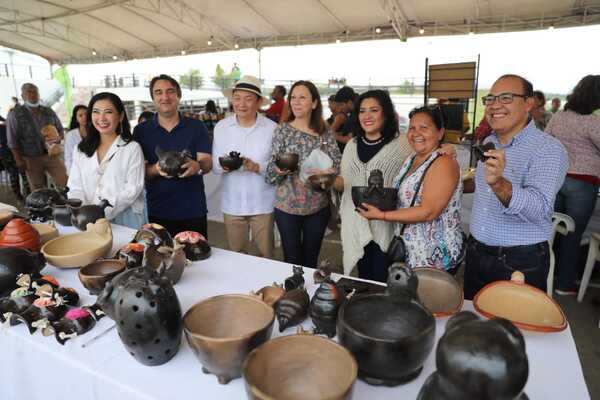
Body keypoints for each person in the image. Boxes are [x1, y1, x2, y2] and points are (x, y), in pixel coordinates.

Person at [463, 74, 568, 300]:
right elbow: (483, 188)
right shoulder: (489, 141)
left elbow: (539, 209)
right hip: (476, 252)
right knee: (474, 328)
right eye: (490, 99)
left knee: (514, 331)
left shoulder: (548, 149)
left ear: (528, 103)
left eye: (506, 98)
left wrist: (499, 183)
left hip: (519, 262)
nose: (495, 105)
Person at [358, 105, 464, 273]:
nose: (416, 133)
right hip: (411, 251)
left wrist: (382, 216)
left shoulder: (443, 163)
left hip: (433, 255)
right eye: (412, 128)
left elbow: (429, 211)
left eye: (424, 128)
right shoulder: (413, 158)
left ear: (440, 132)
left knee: (429, 299)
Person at [334, 90, 412, 281]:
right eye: (362, 111)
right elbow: (344, 182)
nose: (367, 116)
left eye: (374, 110)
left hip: (385, 226)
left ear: (385, 113)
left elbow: (423, 164)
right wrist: (329, 180)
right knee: (363, 278)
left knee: (382, 280)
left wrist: (446, 149)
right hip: (356, 222)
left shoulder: (402, 144)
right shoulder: (352, 145)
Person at [265, 80, 341, 268]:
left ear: (314, 103)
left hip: (317, 208)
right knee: (291, 260)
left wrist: (329, 172)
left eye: (302, 98)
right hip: (287, 208)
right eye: (293, 98)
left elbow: (338, 165)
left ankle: (308, 296)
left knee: (310, 261)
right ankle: (293, 295)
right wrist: (278, 170)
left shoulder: (324, 132)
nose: (296, 102)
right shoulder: (282, 130)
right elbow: (269, 176)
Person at [134, 74, 212, 237]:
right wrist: (156, 169)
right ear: (153, 98)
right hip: (157, 210)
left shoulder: (196, 127)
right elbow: (138, 171)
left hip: (192, 209)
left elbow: (207, 162)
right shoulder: (141, 131)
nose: (165, 97)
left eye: (170, 91)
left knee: (196, 257)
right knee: (161, 258)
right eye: (158, 92)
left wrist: (197, 166)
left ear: (178, 96)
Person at [545, 75, 600, 295]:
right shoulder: (592, 122)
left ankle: (545, 276)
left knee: (550, 231)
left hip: (558, 178)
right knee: (573, 234)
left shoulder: (559, 117)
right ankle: (563, 284)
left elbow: (546, 142)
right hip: (584, 182)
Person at [213, 76, 277, 258]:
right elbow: (215, 167)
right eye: (237, 98)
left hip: (263, 204)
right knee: (236, 256)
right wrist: (225, 165)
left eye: (248, 99)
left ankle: (267, 287)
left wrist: (257, 166)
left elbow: (277, 167)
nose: (242, 104)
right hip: (232, 204)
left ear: (258, 102)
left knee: (266, 256)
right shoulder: (222, 127)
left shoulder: (272, 129)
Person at [67, 92, 146, 229]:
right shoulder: (80, 149)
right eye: (96, 112)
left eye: (108, 112)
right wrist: (83, 212)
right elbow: (75, 186)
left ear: (120, 116)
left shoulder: (132, 148)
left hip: (124, 219)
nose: (101, 118)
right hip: (86, 220)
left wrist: (100, 213)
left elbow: (132, 189)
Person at [5, 83, 68, 190]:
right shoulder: (15, 114)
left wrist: (57, 138)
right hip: (30, 158)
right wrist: (19, 160)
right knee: (38, 188)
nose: (33, 95)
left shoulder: (48, 111)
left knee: (65, 182)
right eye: (29, 92)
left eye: (35, 92)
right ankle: (44, 206)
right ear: (23, 96)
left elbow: (60, 130)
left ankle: (65, 204)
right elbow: (12, 140)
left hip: (52, 155)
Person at [0, 115, 29, 201]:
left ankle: (28, 196)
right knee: (14, 176)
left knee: (24, 175)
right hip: (7, 156)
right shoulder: (3, 127)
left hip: (18, 154)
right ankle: (19, 197)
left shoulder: (10, 127)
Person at [331, 86, 358, 153]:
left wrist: (334, 135)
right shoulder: (353, 114)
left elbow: (350, 139)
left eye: (341, 105)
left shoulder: (353, 117)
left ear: (349, 102)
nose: (340, 109)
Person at [64, 104, 88, 175]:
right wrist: (71, 173)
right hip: (77, 171)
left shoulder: (97, 131)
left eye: (86, 114)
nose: (84, 117)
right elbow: (68, 156)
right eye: (80, 115)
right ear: (76, 118)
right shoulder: (71, 135)